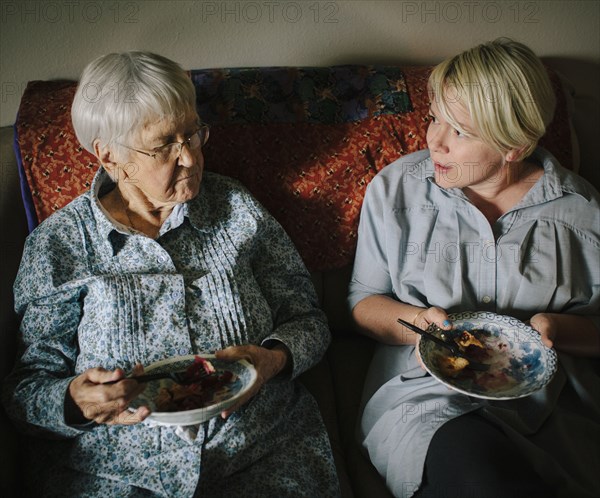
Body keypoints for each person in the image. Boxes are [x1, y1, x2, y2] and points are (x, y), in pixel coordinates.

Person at [2, 51, 341, 497]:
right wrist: (75, 400)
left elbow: (309, 320)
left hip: (261, 455)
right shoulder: (59, 245)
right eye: (164, 144)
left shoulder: (236, 209)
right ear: (110, 157)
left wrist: (273, 359)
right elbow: (26, 389)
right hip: (118, 474)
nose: (190, 157)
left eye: (193, 133)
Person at [348, 38, 600, 498]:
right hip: (427, 399)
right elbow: (362, 303)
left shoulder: (583, 212)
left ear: (515, 145)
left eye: (460, 131)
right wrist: (418, 325)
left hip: (549, 407)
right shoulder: (395, 192)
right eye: (434, 118)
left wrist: (555, 329)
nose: (434, 141)